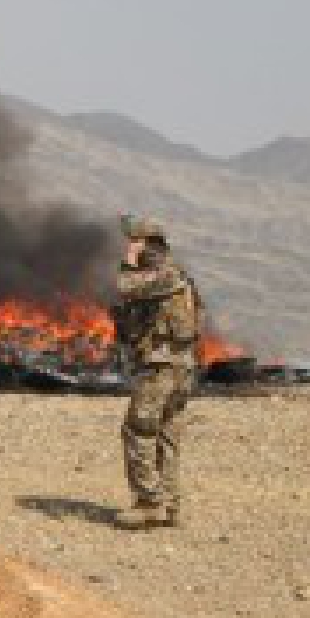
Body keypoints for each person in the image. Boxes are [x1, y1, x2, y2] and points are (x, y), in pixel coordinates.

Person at [111, 215, 204, 529]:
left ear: (146, 243)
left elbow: (124, 287)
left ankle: (149, 503)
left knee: (139, 429)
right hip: (179, 367)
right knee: (167, 433)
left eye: (134, 241)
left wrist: (129, 262)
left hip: (162, 367)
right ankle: (168, 505)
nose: (129, 246)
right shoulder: (176, 274)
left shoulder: (164, 275)